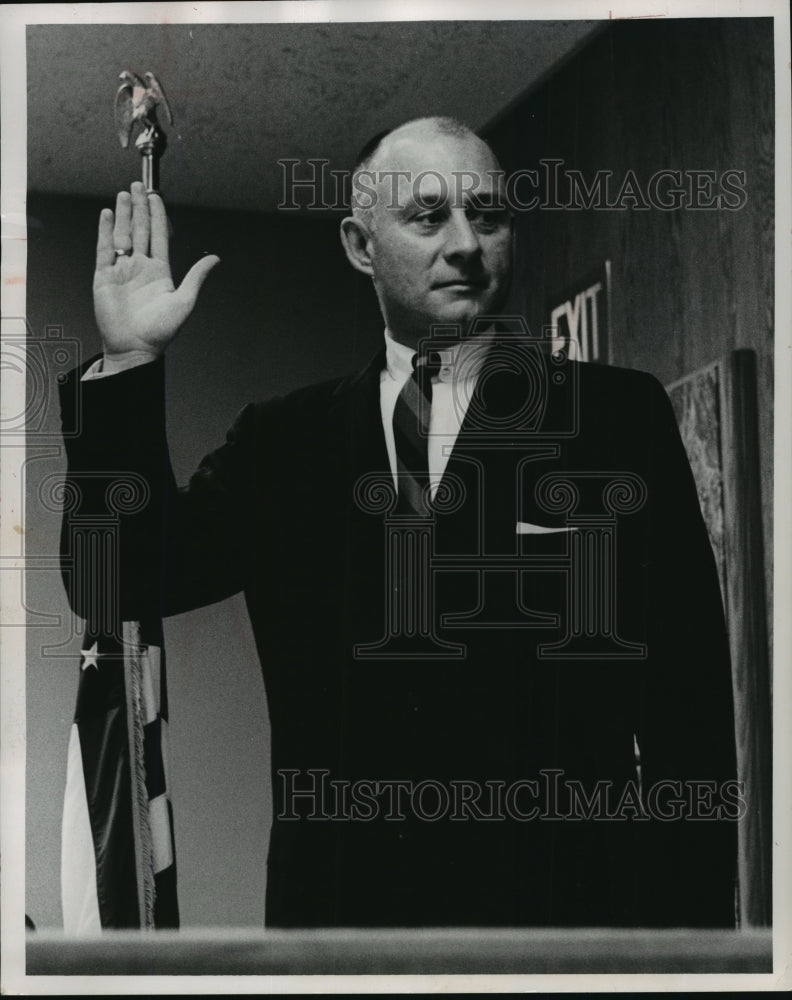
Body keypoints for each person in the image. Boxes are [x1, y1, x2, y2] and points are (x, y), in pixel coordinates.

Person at [60, 117, 738, 928]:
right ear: (359, 244)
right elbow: (120, 576)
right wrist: (129, 362)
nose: (465, 243)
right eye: (427, 217)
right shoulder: (284, 441)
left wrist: (690, 952)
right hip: (344, 930)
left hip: (565, 930)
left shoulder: (616, 418)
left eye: (487, 214)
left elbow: (688, 709)